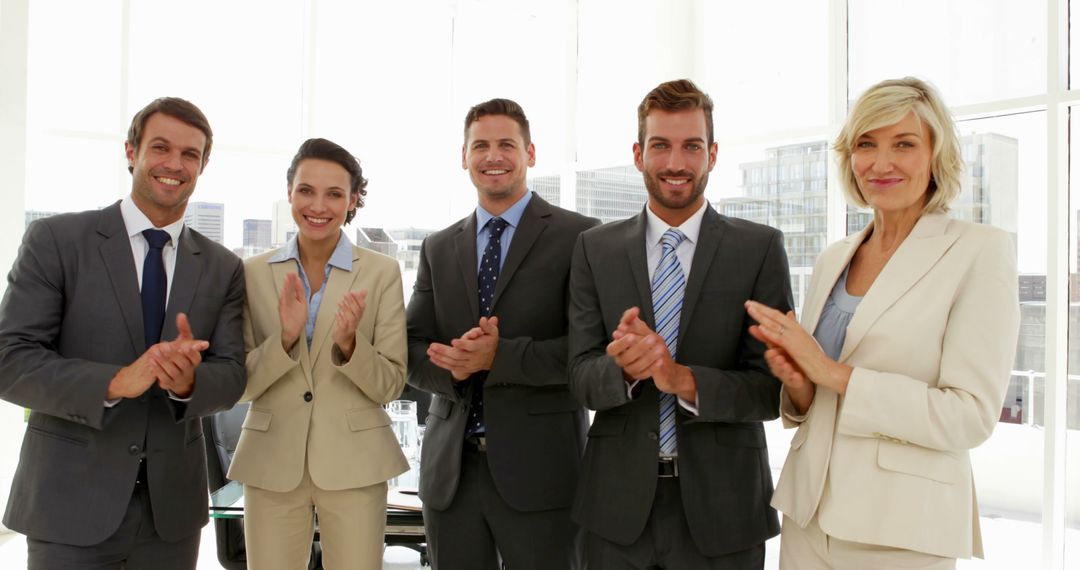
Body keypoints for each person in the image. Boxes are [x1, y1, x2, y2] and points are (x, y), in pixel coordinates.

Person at [745, 77, 1020, 569]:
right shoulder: (835, 258)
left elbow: (969, 416)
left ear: (936, 155)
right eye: (865, 144)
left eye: (904, 144)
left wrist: (832, 373)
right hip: (808, 516)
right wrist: (800, 385)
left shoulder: (979, 252)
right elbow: (822, 400)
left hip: (901, 529)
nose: (881, 162)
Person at [0, 97, 246, 568]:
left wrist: (188, 383)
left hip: (170, 516)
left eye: (189, 154)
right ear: (131, 151)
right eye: (160, 148)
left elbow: (233, 374)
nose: (174, 164)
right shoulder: (56, 241)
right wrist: (114, 382)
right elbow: (10, 360)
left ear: (203, 164)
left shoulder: (222, 267)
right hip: (68, 504)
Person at [567, 78, 793, 569]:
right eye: (660, 146)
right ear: (638, 153)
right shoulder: (594, 249)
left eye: (691, 146)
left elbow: (772, 391)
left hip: (724, 509)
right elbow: (580, 377)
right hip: (615, 512)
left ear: (712, 154)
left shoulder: (759, 249)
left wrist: (680, 379)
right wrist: (625, 371)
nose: (675, 163)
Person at [406, 98, 599, 569]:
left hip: (544, 475)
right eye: (481, 145)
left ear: (530, 154)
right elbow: (410, 349)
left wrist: (500, 357)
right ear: (464, 156)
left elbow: (590, 354)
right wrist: (452, 367)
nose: (493, 156)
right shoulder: (438, 247)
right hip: (452, 476)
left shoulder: (582, 238)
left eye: (506, 144)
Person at [227, 138, 408, 570]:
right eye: (306, 190)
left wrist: (350, 346)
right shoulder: (252, 273)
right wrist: (286, 338)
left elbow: (392, 382)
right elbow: (239, 385)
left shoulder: (381, 273)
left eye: (334, 194)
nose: (318, 205)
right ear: (289, 191)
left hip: (356, 463)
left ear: (352, 201)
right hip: (271, 462)